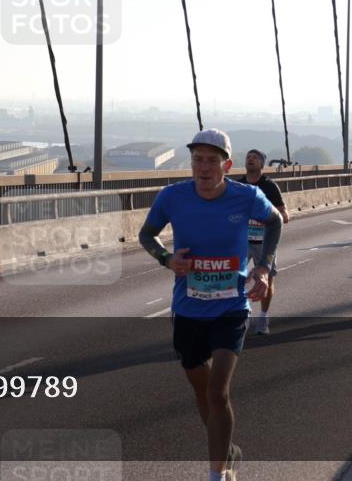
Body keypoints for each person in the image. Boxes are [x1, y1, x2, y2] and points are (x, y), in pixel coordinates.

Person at [140, 129, 283, 481]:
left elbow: (275, 222)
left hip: (231, 307)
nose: (204, 167)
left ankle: (217, 474)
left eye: (212, 161)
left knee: (218, 392)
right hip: (187, 308)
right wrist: (166, 259)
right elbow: (147, 234)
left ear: (227, 165)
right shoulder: (172, 197)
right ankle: (227, 451)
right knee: (203, 392)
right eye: (198, 160)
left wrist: (264, 268)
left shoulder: (246, 196)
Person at [235, 149, 289, 335]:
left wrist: (266, 215)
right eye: (248, 156)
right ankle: (242, 311)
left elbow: (284, 216)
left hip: (264, 242)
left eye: (255, 157)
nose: (250, 159)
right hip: (241, 241)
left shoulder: (269, 186)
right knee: (234, 278)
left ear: (262, 164)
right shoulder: (239, 185)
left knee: (267, 279)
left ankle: (264, 317)